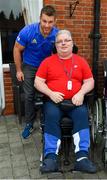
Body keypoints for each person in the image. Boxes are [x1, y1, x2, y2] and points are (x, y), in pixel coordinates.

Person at [34, 30, 97, 173]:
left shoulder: (81, 61)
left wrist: (81, 93)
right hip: (54, 102)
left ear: (72, 43)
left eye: (67, 40)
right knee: (51, 115)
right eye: (59, 41)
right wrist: (51, 93)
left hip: (76, 102)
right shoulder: (47, 62)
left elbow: (90, 81)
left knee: (82, 114)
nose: (63, 43)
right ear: (55, 45)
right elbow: (38, 82)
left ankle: (82, 159)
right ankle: (50, 159)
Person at [13, 5, 59, 139]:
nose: (47, 25)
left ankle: (49, 120)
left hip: (47, 67)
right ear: (40, 19)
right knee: (29, 96)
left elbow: (61, 52)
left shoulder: (57, 34)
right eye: (44, 21)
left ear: (55, 21)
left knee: (51, 93)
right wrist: (19, 70)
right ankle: (29, 124)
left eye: (50, 22)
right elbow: (16, 49)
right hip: (29, 66)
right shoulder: (28, 31)